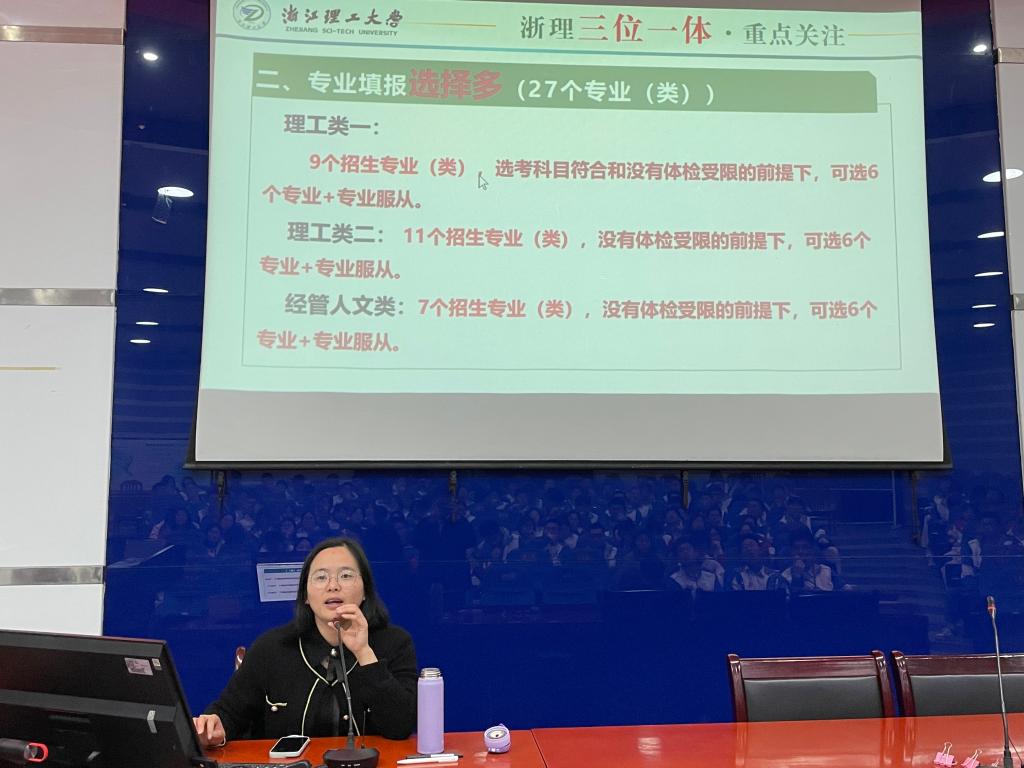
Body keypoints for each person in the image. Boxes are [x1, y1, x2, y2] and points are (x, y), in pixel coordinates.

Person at [193, 537, 417, 745]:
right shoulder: (271, 648)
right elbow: (229, 714)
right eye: (321, 577)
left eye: (346, 576)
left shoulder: (395, 643)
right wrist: (214, 726)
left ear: (365, 590)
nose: (333, 585)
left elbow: (401, 726)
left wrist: (364, 652)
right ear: (306, 596)